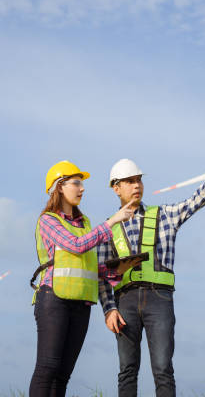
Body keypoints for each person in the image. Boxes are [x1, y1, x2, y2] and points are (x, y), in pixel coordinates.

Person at [98, 158, 205, 397]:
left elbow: (192, 203)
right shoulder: (108, 228)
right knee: (127, 370)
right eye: (129, 181)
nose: (136, 185)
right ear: (116, 188)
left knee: (162, 369)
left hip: (159, 299)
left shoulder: (164, 216)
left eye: (139, 180)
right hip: (124, 302)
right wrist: (109, 310)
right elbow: (102, 276)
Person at [29, 160, 137, 397]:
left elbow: (84, 264)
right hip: (53, 299)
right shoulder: (48, 220)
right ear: (59, 187)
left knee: (63, 375)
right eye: (76, 183)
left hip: (81, 303)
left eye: (82, 184)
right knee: (47, 368)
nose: (82, 188)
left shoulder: (84, 223)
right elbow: (76, 246)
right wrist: (112, 221)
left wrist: (114, 270)